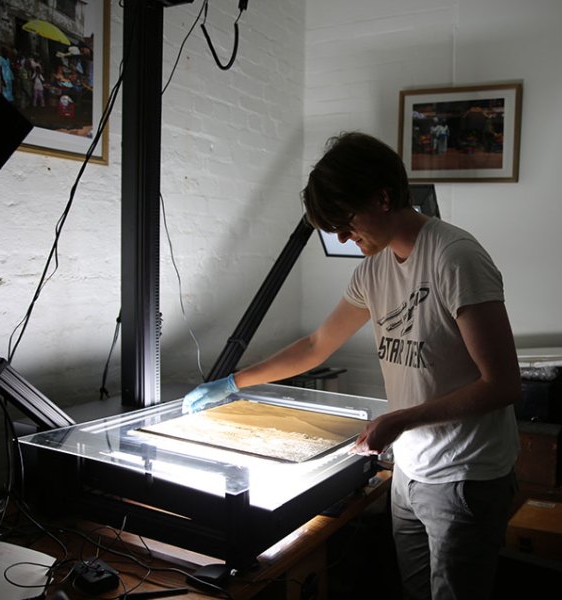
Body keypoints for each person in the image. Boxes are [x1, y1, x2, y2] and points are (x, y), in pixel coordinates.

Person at [183, 132, 521, 600]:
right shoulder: (372, 270)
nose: (343, 236)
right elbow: (317, 345)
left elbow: (502, 384)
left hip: (465, 477)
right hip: (411, 470)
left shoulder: (454, 257)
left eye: (347, 221)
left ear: (383, 197)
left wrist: (400, 419)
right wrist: (230, 383)